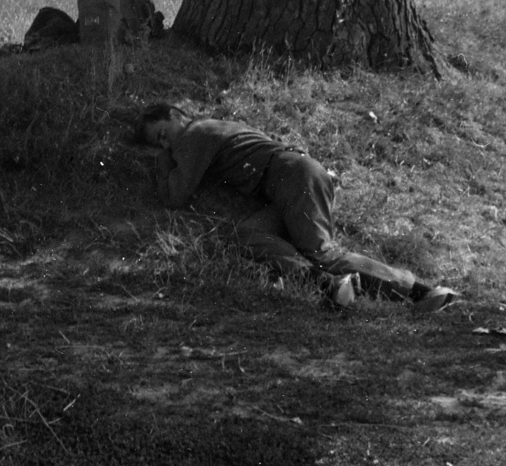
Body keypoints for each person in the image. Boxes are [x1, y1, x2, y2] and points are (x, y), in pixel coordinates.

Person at [136, 103, 457, 311]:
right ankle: (327, 285)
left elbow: (174, 197)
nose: (166, 145)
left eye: (164, 134)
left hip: (293, 177)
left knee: (322, 251)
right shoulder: (208, 130)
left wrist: (162, 160)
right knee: (247, 235)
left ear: (178, 115)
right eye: (158, 144)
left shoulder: (196, 133)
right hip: (286, 184)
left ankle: (420, 291)